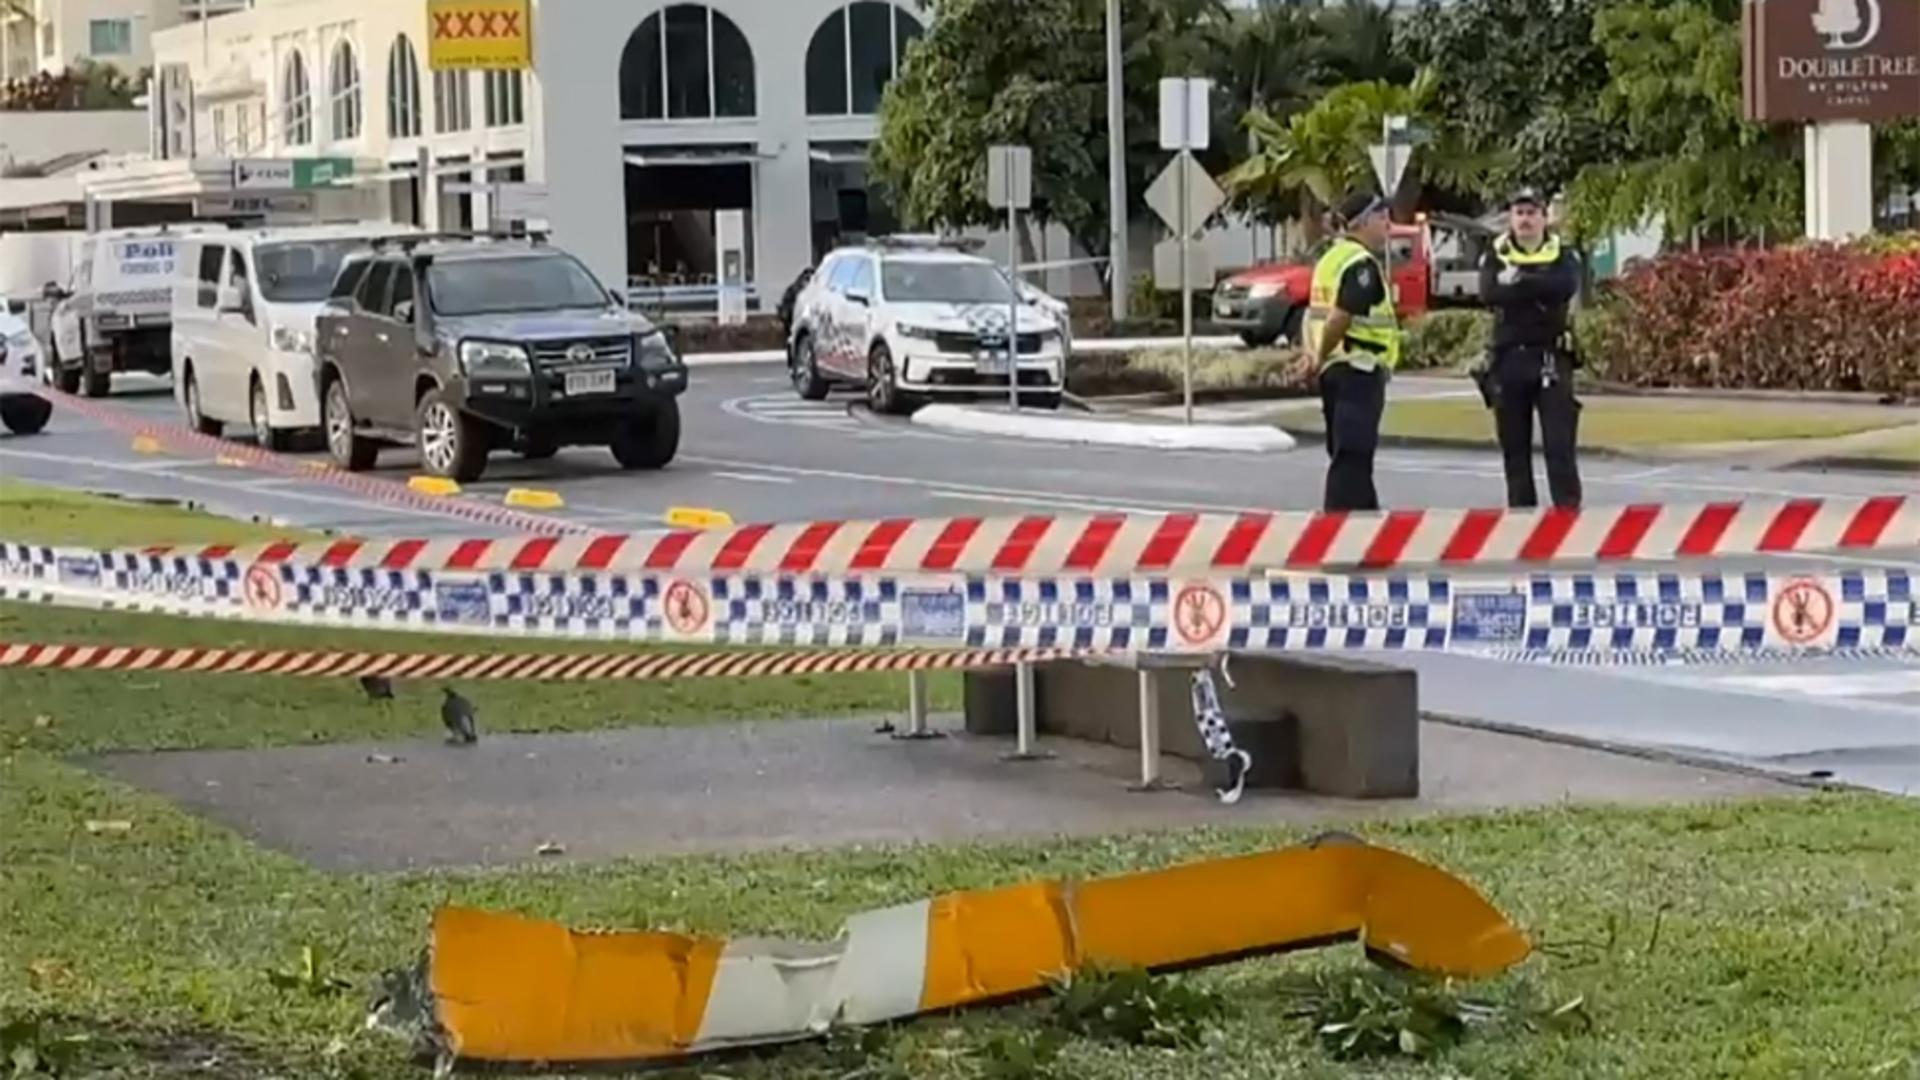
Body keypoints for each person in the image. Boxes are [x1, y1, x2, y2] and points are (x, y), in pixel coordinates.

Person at [1477, 187, 1585, 510]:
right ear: (1511, 217)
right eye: (1519, 213)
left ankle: (1567, 514)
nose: (1525, 220)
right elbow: (1489, 293)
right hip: (1509, 358)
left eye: (1532, 213)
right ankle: (1522, 518)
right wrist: (1536, 287)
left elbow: (1563, 287)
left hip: (1550, 357)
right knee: (1514, 448)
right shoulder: (1495, 255)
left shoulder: (1562, 255)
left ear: (1544, 217)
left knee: (1559, 444)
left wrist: (1519, 282)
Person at [1298, 191, 1403, 512]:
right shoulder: (1361, 265)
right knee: (1352, 457)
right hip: (1359, 368)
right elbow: (1339, 316)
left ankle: (1367, 532)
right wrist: (1317, 355)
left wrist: (1312, 354)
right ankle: (1339, 532)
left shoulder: (1329, 259)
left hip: (1336, 371)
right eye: (1381, 217)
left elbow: (1310, 314)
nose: (1388, 224)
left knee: (1350, 455)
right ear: (1362, 222)